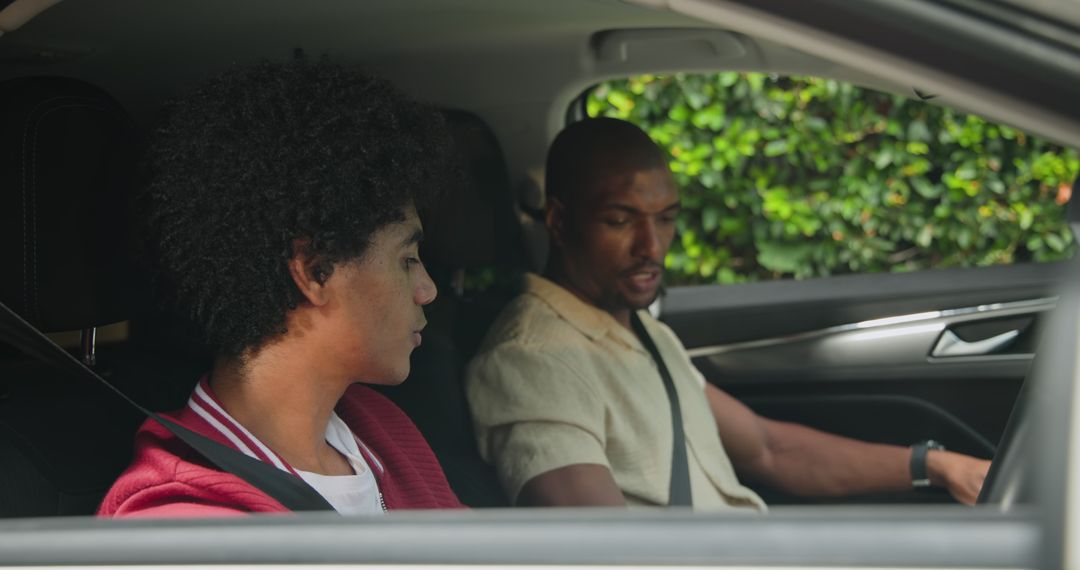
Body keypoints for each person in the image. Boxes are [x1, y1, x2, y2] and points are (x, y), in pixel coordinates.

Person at [465, 117, 990, 510]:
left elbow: (770, 450)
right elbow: (605, 554)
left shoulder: (641, 330)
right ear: (559, 220)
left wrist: (936, 465)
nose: (652, 246)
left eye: (666, 218)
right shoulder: (531, 360)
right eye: (620, 219)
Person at [99, 59, 462, 516]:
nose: (427, 289)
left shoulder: (378, 427)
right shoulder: (183, 526)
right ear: (314, 271)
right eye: (407, 260)